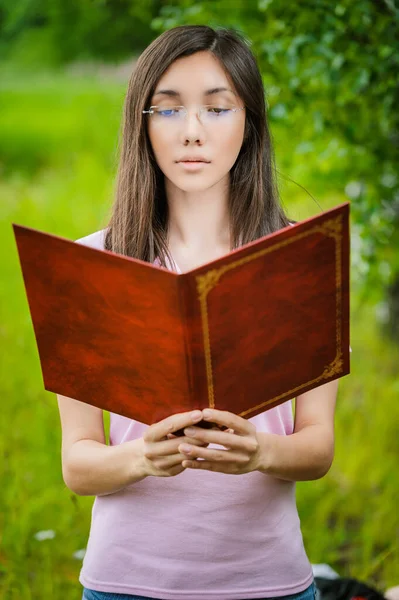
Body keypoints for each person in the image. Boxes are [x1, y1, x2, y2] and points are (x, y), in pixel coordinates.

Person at [57, 25, 338, 600]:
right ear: (142, 125)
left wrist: (261, 451)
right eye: (167, 110)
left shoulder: (302, 262)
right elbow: (78, 465)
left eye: (217, 108)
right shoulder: (90, 266)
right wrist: (143, 457)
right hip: (126, 583)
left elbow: (317, 449)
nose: (191, 132)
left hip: (270, 582)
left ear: (249, 124)